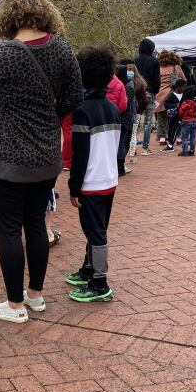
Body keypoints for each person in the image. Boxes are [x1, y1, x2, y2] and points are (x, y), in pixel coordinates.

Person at [0, 0, 83, 323]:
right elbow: (73, 97)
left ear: (7, 17)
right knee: (36, 223)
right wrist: (48, 117)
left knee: (9, 229)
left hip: (7, 153)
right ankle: (35, 296)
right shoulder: (63, 49)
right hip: (46, 153)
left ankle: (13, 306)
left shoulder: (0, 53)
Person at [65, 46, 120, 303]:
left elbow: (80, 154)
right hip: (109, 178)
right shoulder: (112, 108)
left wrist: (73, 186)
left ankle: (100, 283)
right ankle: (89, 269)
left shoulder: (82, 110)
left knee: (95, 231)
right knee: (97, 229)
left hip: (91, 182)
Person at [156, 51, 186, 146]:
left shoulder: (159, 68)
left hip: (159, 94)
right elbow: (183, 80)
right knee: (177, 116)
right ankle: (178, 137)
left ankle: (162, 138)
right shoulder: (176, 67)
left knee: (161, 117)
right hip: (172, 94)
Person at [135, 39, 160, 155]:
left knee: (135, 120)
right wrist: (155, 91)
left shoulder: (134, 61)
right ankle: (145, 148)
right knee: (148, 122)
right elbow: (156, 80)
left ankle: (132, 147)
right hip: (149, 93)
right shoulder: (154, 62)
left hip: (136, 93)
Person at [161, 77, 186, 152]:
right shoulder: (171, 95)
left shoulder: (185, 95)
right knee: (172, 129)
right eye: (183, 87)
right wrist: (175, 105)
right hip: (174, 116)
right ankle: (171, 144)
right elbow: (166, 104)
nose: (184, 88)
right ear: (178, 87)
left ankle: (171, 144)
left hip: (183, 116)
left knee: (179, 130)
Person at [177, 85, 196, 156]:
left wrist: (181, 116)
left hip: (186, 122)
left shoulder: (185, 103)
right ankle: (192, 150)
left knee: (184, 138)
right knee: (193, 137)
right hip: (194, 121)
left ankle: (185, 150)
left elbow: (181, 112)